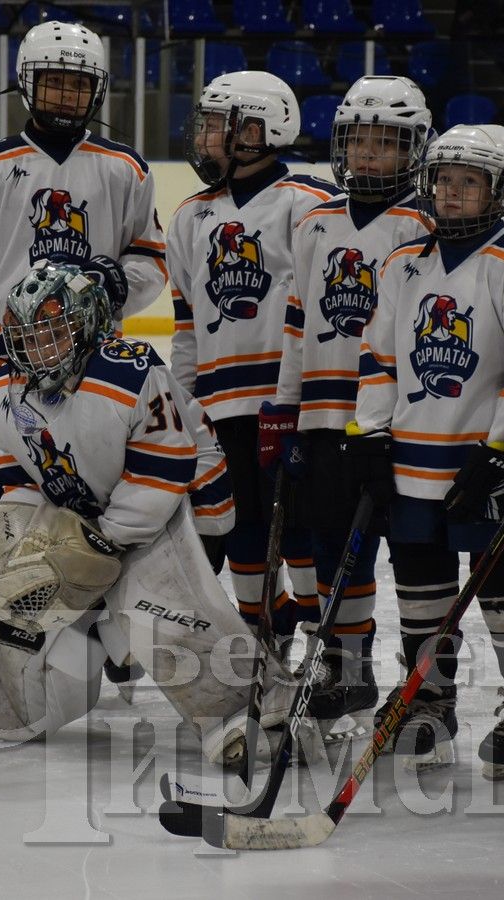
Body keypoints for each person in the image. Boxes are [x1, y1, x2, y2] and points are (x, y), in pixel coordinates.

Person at [0, 260, 290, 765]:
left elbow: (163, 468)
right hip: (88, 509)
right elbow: (21, 473)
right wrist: (25, 542)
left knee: (154, 606)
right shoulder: (2, 391)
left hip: (176, 503)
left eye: (52, 334)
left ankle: (246, 710)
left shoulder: (130, 373)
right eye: (27, 335)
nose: (37, 350)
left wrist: (106, 541)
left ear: (86, 327)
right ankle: (13, 704)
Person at [349, 124, 504, 777]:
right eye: (443, 179)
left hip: (485, 463)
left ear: (497, 189)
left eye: (468, 181)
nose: (451, 191)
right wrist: (369, 435)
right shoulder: (402, 261)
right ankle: (429, 700)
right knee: (419, 588)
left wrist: (500, 448)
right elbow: (379, 358)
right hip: (412, 456)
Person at [0, 20, 167, 505]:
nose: (64, 94)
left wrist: (116, 281)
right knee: (8, 502)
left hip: (93, 367)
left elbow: (151, 261)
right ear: (27, 84)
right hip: (0, 367)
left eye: (78, 84)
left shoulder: (126, 169)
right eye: (53, 81)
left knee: (94, 500)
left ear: (96, 92)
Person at [266, 75, 433, 736]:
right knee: (331, 547)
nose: (368, 154)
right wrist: (285, 410)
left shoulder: (422, 224)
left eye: (385, 143)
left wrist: (393, 421)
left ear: (412, 150)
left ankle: (425, 688)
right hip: (323, 415)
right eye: (357, 140)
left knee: (411, 559)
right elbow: (297, 324)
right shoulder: (315, 222)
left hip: (391, 424)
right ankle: (346, 663)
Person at [169, 71, 335, 653]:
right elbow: (186, 325)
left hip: (289, 400)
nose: (209, 137)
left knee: (301, 527)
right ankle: (264, 628)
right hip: (220, 402)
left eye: (222, 126)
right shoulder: (190, 215)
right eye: (209, 125)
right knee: (242, 525)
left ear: (265, 129)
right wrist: (180, 402)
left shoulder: (310, 203)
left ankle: (322, 636)